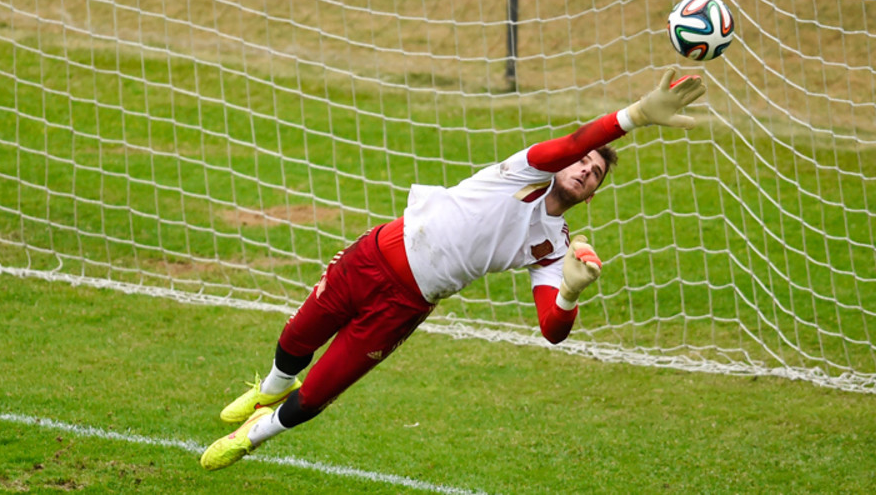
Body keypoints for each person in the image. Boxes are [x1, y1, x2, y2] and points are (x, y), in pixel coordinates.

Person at [199, 69, 706, 470]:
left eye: (594, 174)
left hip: (407, 305)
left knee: (320, 393)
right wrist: (636, 115)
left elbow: (552, 330)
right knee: (296, 338)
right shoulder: (528, 168)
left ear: (593, 193)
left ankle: (251, 437)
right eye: (584, 162)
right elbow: (574, 143)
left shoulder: (554, 248)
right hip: (374, 255)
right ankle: (269, 387)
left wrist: (570, 293)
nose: (584, 170)